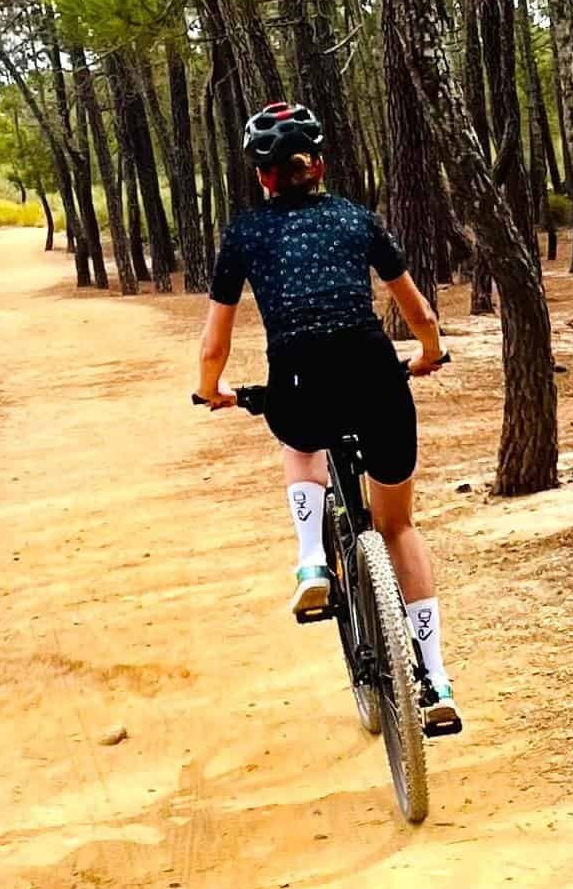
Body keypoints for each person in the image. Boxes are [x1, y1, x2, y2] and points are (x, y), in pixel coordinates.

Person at [196, 101, 460, 731]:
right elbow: (420, 314)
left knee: (301, 441)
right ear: (319, 164)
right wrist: (428, 355)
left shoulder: (244, 235)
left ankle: (313, 558)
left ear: (262, 176)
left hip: (299, 375)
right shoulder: (358, 220)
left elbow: (214, 346)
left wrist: (212, 390)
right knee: (398, 528)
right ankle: (437, 677)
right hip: (374, 372)